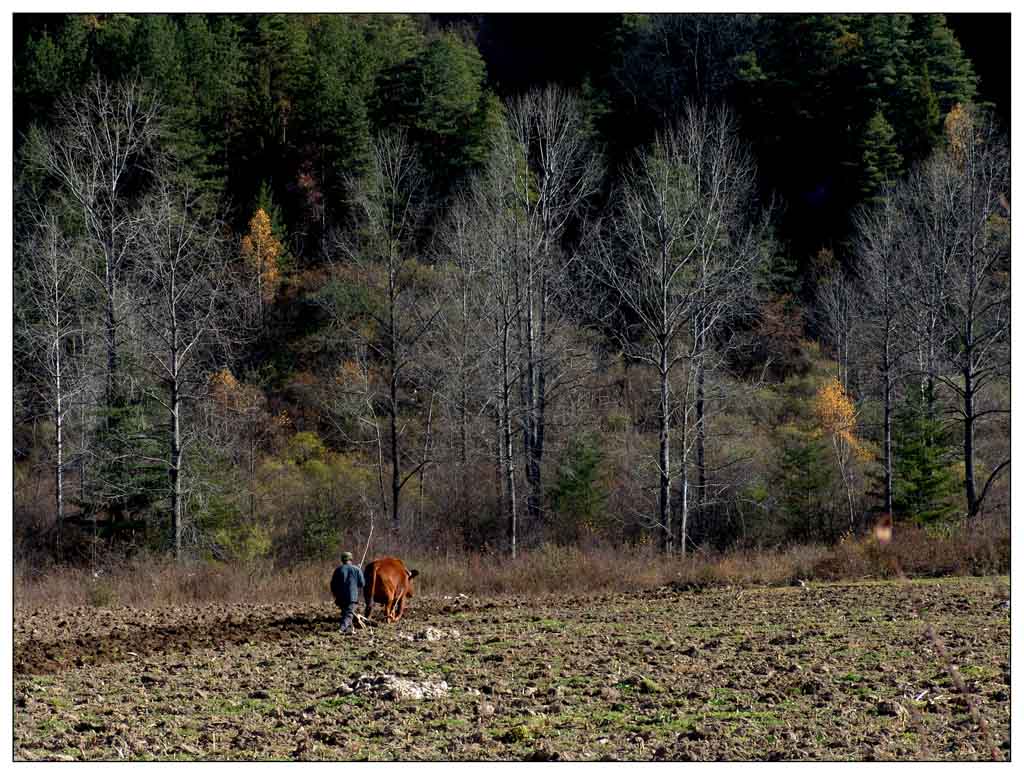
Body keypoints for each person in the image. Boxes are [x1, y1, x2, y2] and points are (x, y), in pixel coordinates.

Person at [330, 551, 365, 633]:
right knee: (349, 614)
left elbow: (333, 584)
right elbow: (362, 583)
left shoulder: (338, 570)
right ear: (351, 559)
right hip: (352, 597)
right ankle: (341, 629)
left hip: (340, 597)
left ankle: (348, 629)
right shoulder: (356, 569)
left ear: (342, 560)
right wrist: (359, 571)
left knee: (345, 613)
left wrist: (336, 595)